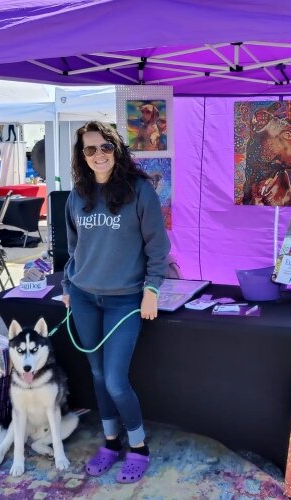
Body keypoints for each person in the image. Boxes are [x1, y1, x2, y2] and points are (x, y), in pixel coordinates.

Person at [61, 121, 170, 483]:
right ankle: (110, 442)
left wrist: (152, 290)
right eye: (90, 149)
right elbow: (73, 249)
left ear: (117, 149)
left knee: (115, 380)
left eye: (105, 147)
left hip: (124, 301)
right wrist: (67, 285)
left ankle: (138, 447)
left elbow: (157, 246)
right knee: (96, 374)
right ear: (82, 156)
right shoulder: (77, 195)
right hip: (83, 298)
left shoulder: (140, 191)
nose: (99, 155)